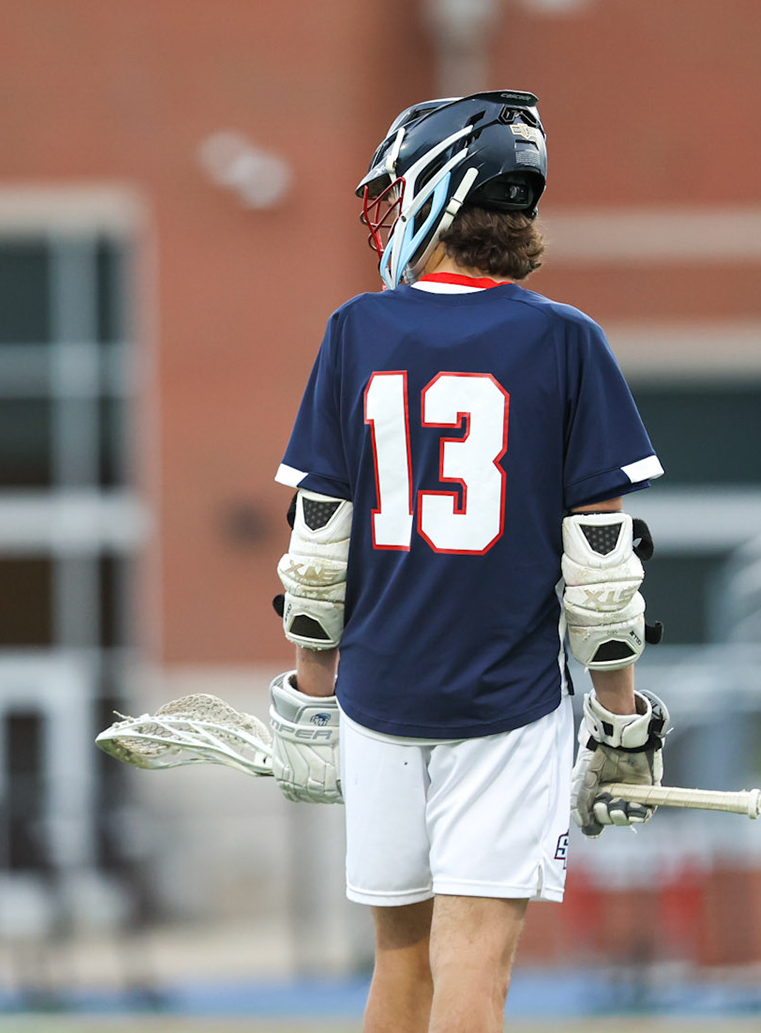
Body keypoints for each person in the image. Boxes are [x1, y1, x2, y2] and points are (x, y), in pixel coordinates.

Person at [268, 91, 669, 1032]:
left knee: (399, 967)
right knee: (475, 964)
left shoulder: (355, 330)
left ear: (444, 194)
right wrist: (619, 723)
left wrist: (311, 691)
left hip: (379, 697)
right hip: (505, 703)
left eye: (400, 191)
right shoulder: (567, 340)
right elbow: (601, 569)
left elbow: (318, 548)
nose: (390, 212)